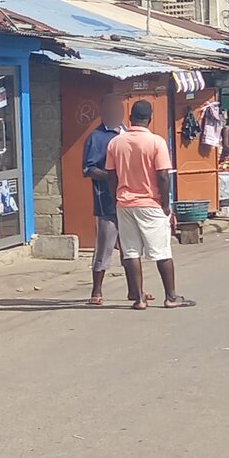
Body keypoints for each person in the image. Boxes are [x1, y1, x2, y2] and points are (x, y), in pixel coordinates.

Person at [105, 99, 195, 311]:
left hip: (124, 203)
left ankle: (139, 299)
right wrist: (165, 204)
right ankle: (171, 296)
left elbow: (110, 175)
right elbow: (163, 176)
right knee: (161, 251)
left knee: (131, 252)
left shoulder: (115, 143)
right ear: (150, 118)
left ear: (130, 118)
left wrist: (116, 198)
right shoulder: (156, 142)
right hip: (151, 203)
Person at [81, 94, 135, 306]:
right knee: (105, 245)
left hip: (130, 200)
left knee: (131, 246)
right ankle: (97, 291)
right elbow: (88, 169)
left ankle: (135, 290)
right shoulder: (96, 137)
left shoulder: (127, 133)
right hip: (107, 202)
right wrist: (111, 175)